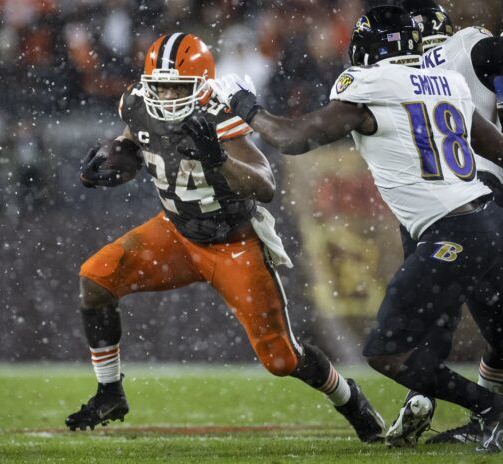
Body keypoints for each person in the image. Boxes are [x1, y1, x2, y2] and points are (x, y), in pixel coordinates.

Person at [65, 32, 386, 443]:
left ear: (200, 85)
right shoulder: (135, 102)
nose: (165, 95)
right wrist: (113, 160)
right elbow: (139, 143)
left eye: (176, 87)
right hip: (176, 231)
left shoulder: (219, 113)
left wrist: (217, 159)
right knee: (95, 280)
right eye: (158, 86)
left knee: (282, 358)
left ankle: (350, 399)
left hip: (234, 244)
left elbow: (265, 185)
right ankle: (110, 391)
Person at [210, 6, 503, 453]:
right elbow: (496, 147)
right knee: (466, 329)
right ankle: (467, 409)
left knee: (390, 352)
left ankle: (490, 411)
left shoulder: (370, 84)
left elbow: (292, 138)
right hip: (487, 222)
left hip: (451, 230)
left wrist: (245, 105)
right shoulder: (450, 83)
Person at [381, 0, 503, 446]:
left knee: (433, 318)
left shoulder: (392, 75)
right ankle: (491, 417)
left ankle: (427, 395)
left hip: (428, 204)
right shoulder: (473, 46)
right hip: (484, 199)